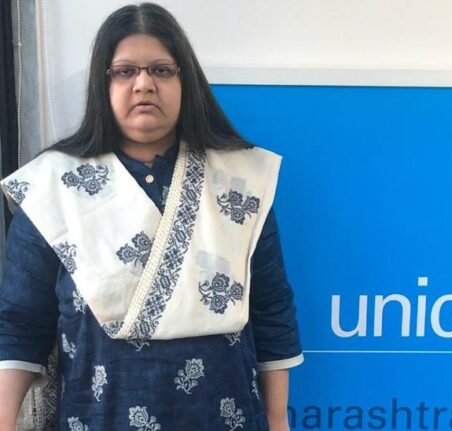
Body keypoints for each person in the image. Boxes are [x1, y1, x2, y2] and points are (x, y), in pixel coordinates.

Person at [0, 3, 303, 430]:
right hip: (98, 417)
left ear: (185, 81)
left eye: (161, 70)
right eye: (125, 71)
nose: (144, 84)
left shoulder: (240, 183)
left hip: (224, 415)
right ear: (102, 83)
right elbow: (20, 321)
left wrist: (277, 419)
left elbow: (271, 309)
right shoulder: (54, 187)